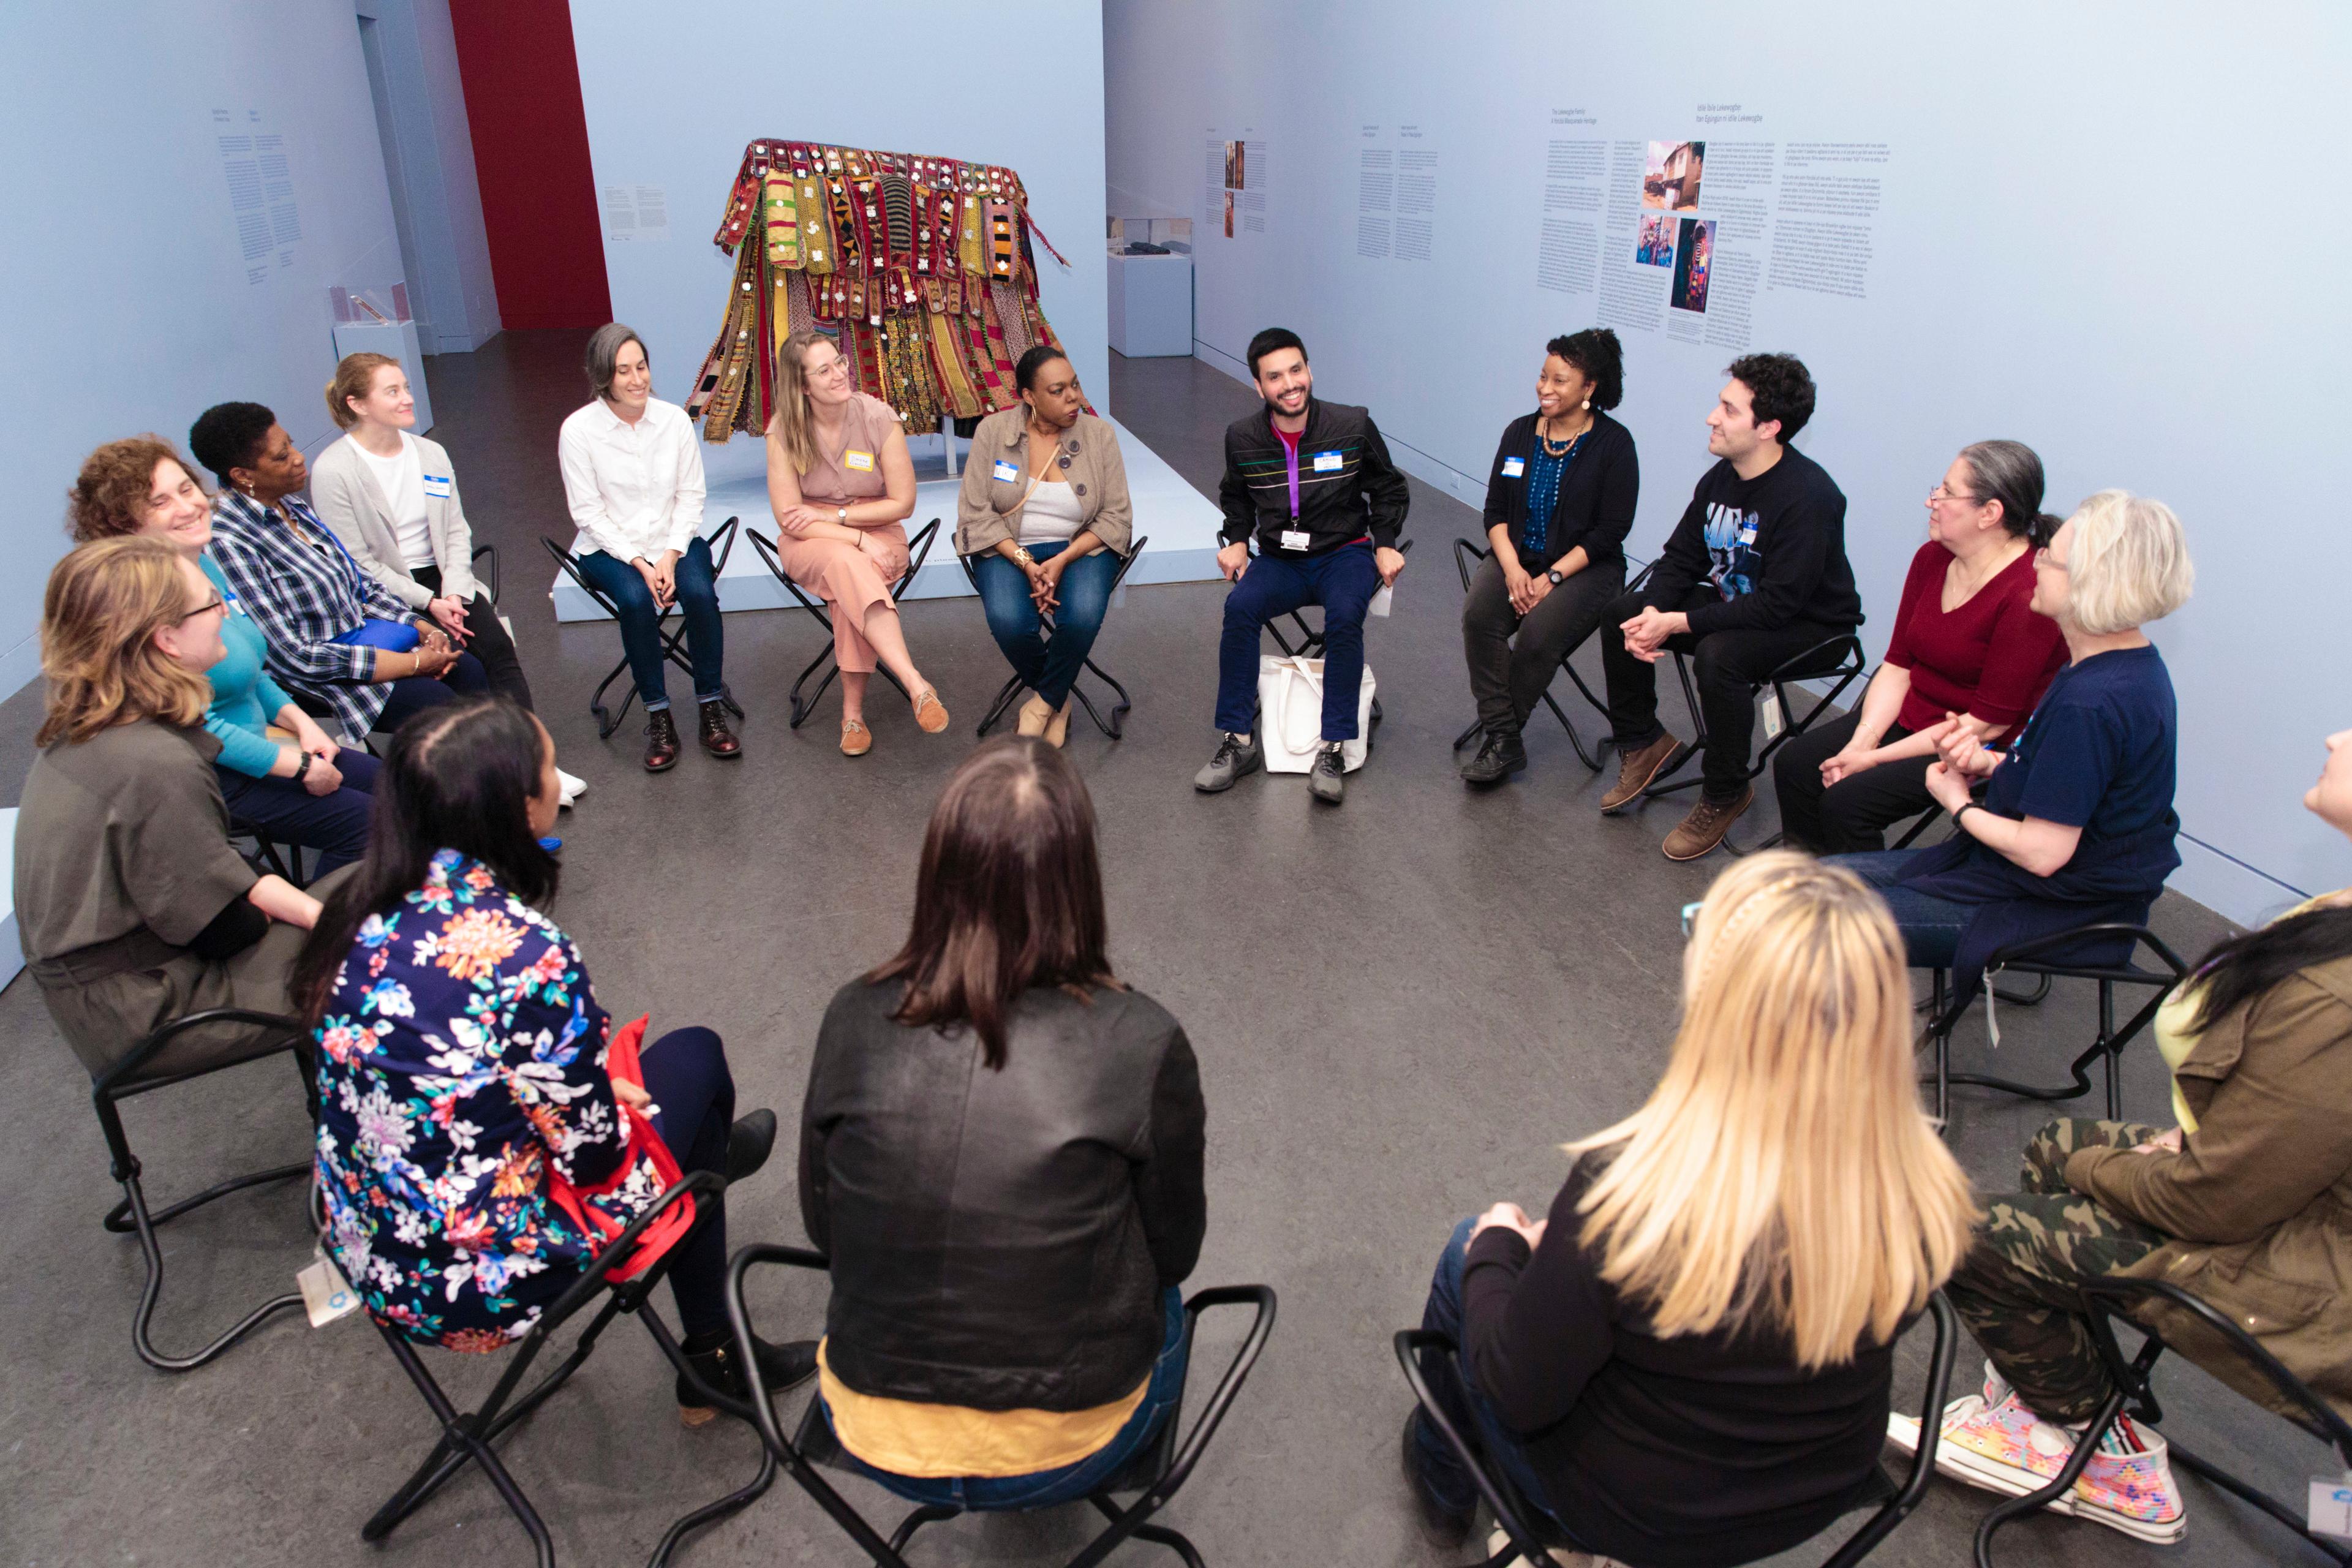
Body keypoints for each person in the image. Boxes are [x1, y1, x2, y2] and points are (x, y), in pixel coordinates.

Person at [1401, 853, 1974, 1566]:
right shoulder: (1920, 1190)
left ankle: (1445, 1485)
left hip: (1635, 1514)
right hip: (1809, 1500)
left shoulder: (1635, 1192)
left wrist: (1499, 1245)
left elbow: (1518, 1392)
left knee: (1469, 1249)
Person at [1893, 727, 2352, 1544]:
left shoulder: (2341, 998)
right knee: (2051, 1151)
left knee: (1957, 1235)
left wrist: (2134, 1167)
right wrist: (2220, 1138)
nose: (2335, 736)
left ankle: (2107, 1462)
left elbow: (2214, 1204)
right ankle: (2065, 1397)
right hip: (2289, 1206)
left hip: (2313, 1287)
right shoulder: (2339, 922)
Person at [292, 696, 814, 1413]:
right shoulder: (522, 955)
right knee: (695, 1060)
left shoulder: (352, 910)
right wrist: (600, 1096)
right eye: (549, 768)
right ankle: (713, 1354)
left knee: (656, 1099)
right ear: (520, 808)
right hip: (487, 1281)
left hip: (365, 1243)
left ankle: (706, 1161)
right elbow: (595, 1161)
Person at [800, 738, 1206, 1507]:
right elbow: (1175, 1251)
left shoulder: (852, 1015)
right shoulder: (1143, 1041)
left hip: (871, 1427)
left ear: (938, 867)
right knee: (1171, 1307)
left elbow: (826, 1232)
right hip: (1066, 1440)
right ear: (1079, 877)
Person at [1831, 491, 2192, 998]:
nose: (2037, 562)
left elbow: (2043, 853)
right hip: (2038, 880)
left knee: (1811, 919)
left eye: (2050, 557)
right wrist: (1990, 763)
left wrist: (1956, 803)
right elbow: (2077, 784)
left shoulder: (2092, 702)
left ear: (2092, 584)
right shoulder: (2120, 664)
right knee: (1810, 888)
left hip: (2053, 906)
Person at [12, 536, 331, 1086]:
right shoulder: (155, 762)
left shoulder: (93, 728)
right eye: (211, 603)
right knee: (376, 943)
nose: (225, 613)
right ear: (166, 640)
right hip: (150, 1012)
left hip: (104, 998)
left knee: (343, 900)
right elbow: (222, 928)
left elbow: (198, 877)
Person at [66, 436, 382, 875]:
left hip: (265, 741)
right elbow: (196, 723)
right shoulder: (141, 604)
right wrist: (298, 766)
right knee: (370, 827)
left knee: (396, 790)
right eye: (160, 502)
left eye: (186, 488)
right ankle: (324, 934)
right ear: (127, 525)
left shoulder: (203, 563)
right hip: (213, 773)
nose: (188, 506)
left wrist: (304, 727)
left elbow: (252, 670)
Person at [1597, 353, 1861, 860]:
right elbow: (1680, 559)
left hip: (1812, 628)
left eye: (1729, 409)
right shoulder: (1721, 478)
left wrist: (1679, 621)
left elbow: (1778, 606)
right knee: (1620, 614)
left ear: (1769, 428)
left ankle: (1726, 791)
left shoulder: (1810, 497)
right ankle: (1644, 741)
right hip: (1741, 605)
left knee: (1722, 655)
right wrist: (1651, 617)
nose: (1712, 418)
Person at [309, 354, 583, 802]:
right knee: (461, 669)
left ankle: (535, 766)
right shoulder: (334, 470)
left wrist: (454, 589)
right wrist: (429, 602)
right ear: (357, 404)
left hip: (447, 578)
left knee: (497, 651)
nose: (408, 398)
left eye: (406, 387)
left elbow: (456, 530)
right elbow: (357, 563)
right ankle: (494, 772)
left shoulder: (430, 453)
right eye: (393, 391)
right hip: (388, 592)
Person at [1773, 441, 2067, 853]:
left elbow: (1988, 723)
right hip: (1915, 716)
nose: (1932, 500)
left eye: (1947, 492)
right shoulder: (1932, 558)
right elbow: (1898, 665)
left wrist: (1871, 759)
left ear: (1990, 513)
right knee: (1797, 765)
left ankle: (1861, 913)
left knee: (1848, 802)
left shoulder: (2025, 597)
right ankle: (1811, 885)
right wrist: (1862, 741)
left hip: (1974, 745)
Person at [192, 401, 490, 748]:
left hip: (374, 638)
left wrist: (419, 627)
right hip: (329, 672)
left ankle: (499, 779)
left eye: (290, 443)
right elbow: (292, 655)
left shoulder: (292, 506)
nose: (298, 457)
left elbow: (360, 584)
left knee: (468, 670)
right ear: (243, 475)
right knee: (440, 708)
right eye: (281, 456)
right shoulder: (230, 541)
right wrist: (412, 663)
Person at [1196, 328, 1409, 805]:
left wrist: (1386, 543)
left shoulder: (1352, 426)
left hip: (1344, 553)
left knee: (1344, 618)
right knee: (1240, 609)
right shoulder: (1243, 438)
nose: (1289, 384)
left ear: (1309, 371)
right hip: (1281, 560)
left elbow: (1389, 487)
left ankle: (1332, 747)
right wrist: (1235, 540)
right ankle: (1238, 742)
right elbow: (1235, 498)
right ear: (1259, 386)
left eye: (1296, 370)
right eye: (1275, 377)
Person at [1458, 328, 1639, 785]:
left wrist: (1552, 579)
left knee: (1538, 634)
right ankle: (1506, 738)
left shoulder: (1615, 446)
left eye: (1559, 381)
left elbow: (1611, 533)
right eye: (1543, 377)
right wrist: (1515, 569)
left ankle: (1499, 737)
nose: (1545, 388)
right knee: (1480, 615)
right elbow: (1496, 512)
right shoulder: (1519, 433)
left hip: (1587, 569)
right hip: (1518, 558)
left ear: (1589, 388)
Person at [559, 323, 739, 771]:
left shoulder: (674, 420)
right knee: (637, 600)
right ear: (603, 376)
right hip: (609, 549)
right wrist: (640, 563)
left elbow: (691, 496)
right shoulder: (578, 431)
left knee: (699, 594)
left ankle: (710, 705)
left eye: (641, 367)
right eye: (623, 371)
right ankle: (658, 715)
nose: (637, 379)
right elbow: (588, 514)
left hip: (674, 540)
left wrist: (670, 555)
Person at [763, 330, 948, 756]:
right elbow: (791, 518)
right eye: (823, 370)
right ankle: (914, 682)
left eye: (840, 362)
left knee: (848, 579)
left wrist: (838, 517)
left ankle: (853, 715)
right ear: (802, 385)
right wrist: (856, 538)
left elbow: (903, 502)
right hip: (811, 541)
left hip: (875, 535)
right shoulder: (783, 433)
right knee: (848, 563)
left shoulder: (879, 418)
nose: (839, 374)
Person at [957, 345, 1133, 748]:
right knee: (1009, 622)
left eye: (1074, 385)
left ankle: (1040, 705)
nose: (1073, 397)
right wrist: (1025, 562)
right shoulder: (993, 433)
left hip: (1081, 547)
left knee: (1083, 615)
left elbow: (1116, 516)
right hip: (1006, 547)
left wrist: (1062, 559)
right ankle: (1058, 697)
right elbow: (975, 513)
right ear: (1028, 396)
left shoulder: (1099, 435)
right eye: (1057, 390)